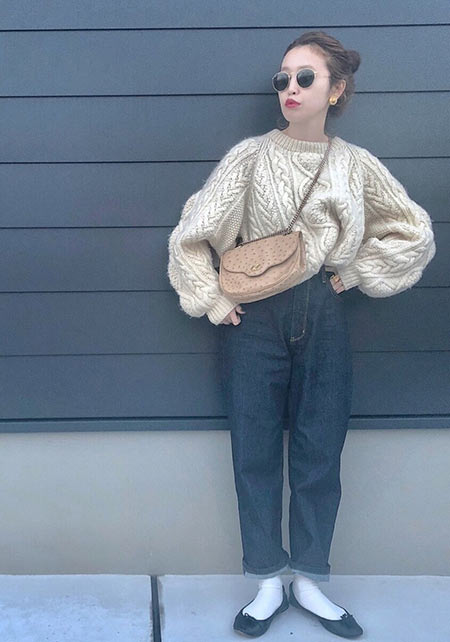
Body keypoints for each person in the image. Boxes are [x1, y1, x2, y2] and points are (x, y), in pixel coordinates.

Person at [167, 30, 436, 638]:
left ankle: (310, 578)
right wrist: (213, 300)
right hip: (253, 317)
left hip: (324, 307)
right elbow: (192, 233)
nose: (290, 88)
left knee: (320, 449)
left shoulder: (355, 164)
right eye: (283, 78)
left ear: (336, 90)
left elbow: (414, 231)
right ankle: (267, 579)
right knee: (254, 449)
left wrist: (354, 274)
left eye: (305, 77)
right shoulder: (249, 157)